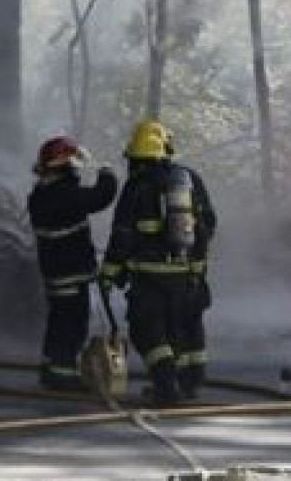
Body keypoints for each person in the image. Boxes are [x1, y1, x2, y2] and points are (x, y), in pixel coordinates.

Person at [99, 120, 215, 405]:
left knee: (147, 329)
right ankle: (190, 381)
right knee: (186, 325)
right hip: (186, 271)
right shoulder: (190, 180)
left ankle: (166, 387)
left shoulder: (136, 187)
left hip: (148, 276)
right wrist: (197, 270)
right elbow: (208, 225)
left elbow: (122, 235)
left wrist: (109, 273)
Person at [26, 135, 118, 391]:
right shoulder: (65, 194)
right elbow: (100, 197)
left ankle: (50, 368)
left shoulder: (41, 194)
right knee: (73, 324)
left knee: (58, 321)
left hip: (55, 273)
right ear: (67, 166)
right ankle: (62, 375)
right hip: (71, 273)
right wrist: (108, 174)